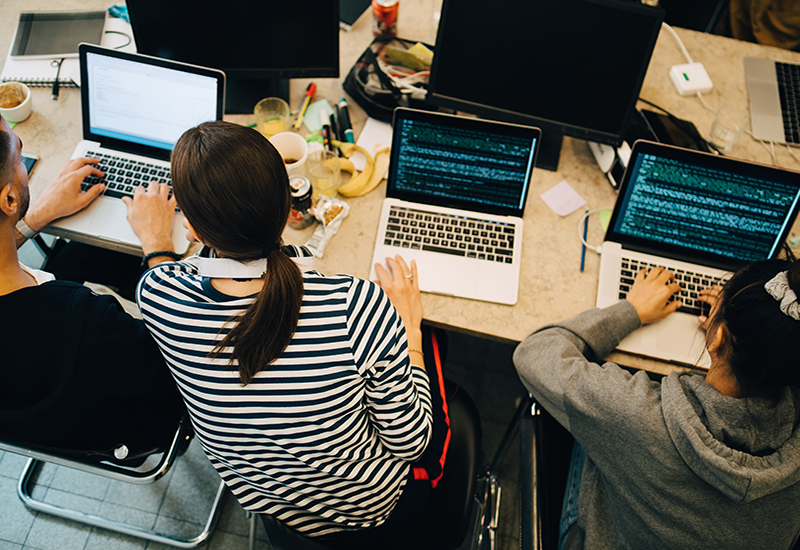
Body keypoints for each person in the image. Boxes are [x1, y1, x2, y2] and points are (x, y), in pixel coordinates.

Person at [136, 121, 436, 543]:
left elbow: (164, 276)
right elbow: (412, 443)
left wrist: (154, 242)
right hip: (369, 509)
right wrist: (410, 331)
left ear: (195, 231)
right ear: (286, 205)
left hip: (273, 506)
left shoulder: (158, 294)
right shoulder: (356, 305)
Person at [514, 262, 800, 549]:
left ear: (718, 338)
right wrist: (754, 340)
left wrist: (632, 310)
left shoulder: (633, 414)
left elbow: (534, 353)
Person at [0, 115, 184, 454]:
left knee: (79, 254)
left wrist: (36, 216)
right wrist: (158, 245)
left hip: (22, 419)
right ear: (8, 200)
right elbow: (177, 358)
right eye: (20, 158)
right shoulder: (83, 319)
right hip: (121, 426)